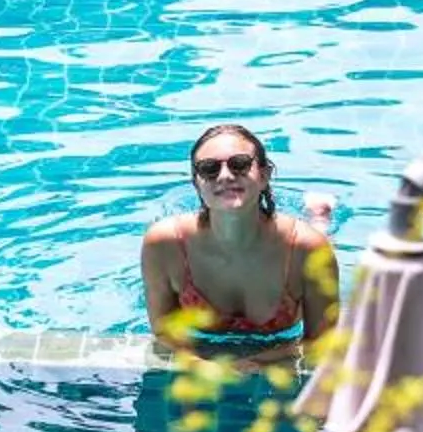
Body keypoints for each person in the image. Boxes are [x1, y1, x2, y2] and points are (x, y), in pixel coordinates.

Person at [141, 123, 338, 358]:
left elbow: (322, 341)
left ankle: (319, 217)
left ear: (264, 176)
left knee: (317, 238)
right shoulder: (165, 243)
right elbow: (164, 333)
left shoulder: (306, 248)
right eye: (209, 168)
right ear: (196, 184)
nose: (225, 176)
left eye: (240, 164)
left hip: (295, 246)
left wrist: (255, 364)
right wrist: (204, 367)